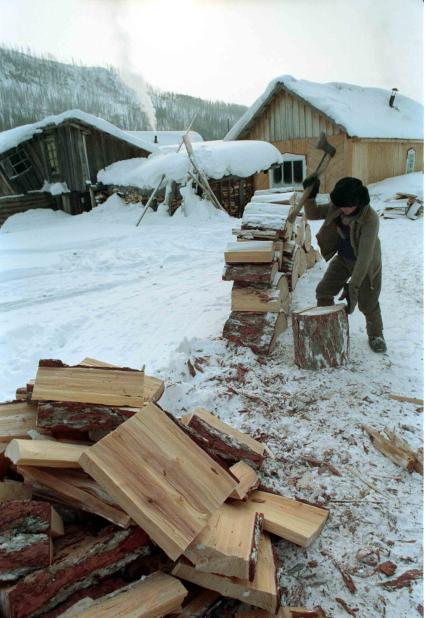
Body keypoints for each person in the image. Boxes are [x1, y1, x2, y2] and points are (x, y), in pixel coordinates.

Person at [303, 175, 386, 353]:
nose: (343, 210)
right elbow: (313, 213)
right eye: (340, 205)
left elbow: (364, 257)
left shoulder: (370, 219)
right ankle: (326, 327)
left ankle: (376, 334)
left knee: (368, 303)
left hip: (366, 265)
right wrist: (310, 195)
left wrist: (353, 286)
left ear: (358, 202)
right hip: (343, 259)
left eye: (347, 206)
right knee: (323, 291)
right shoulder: (338, 207)